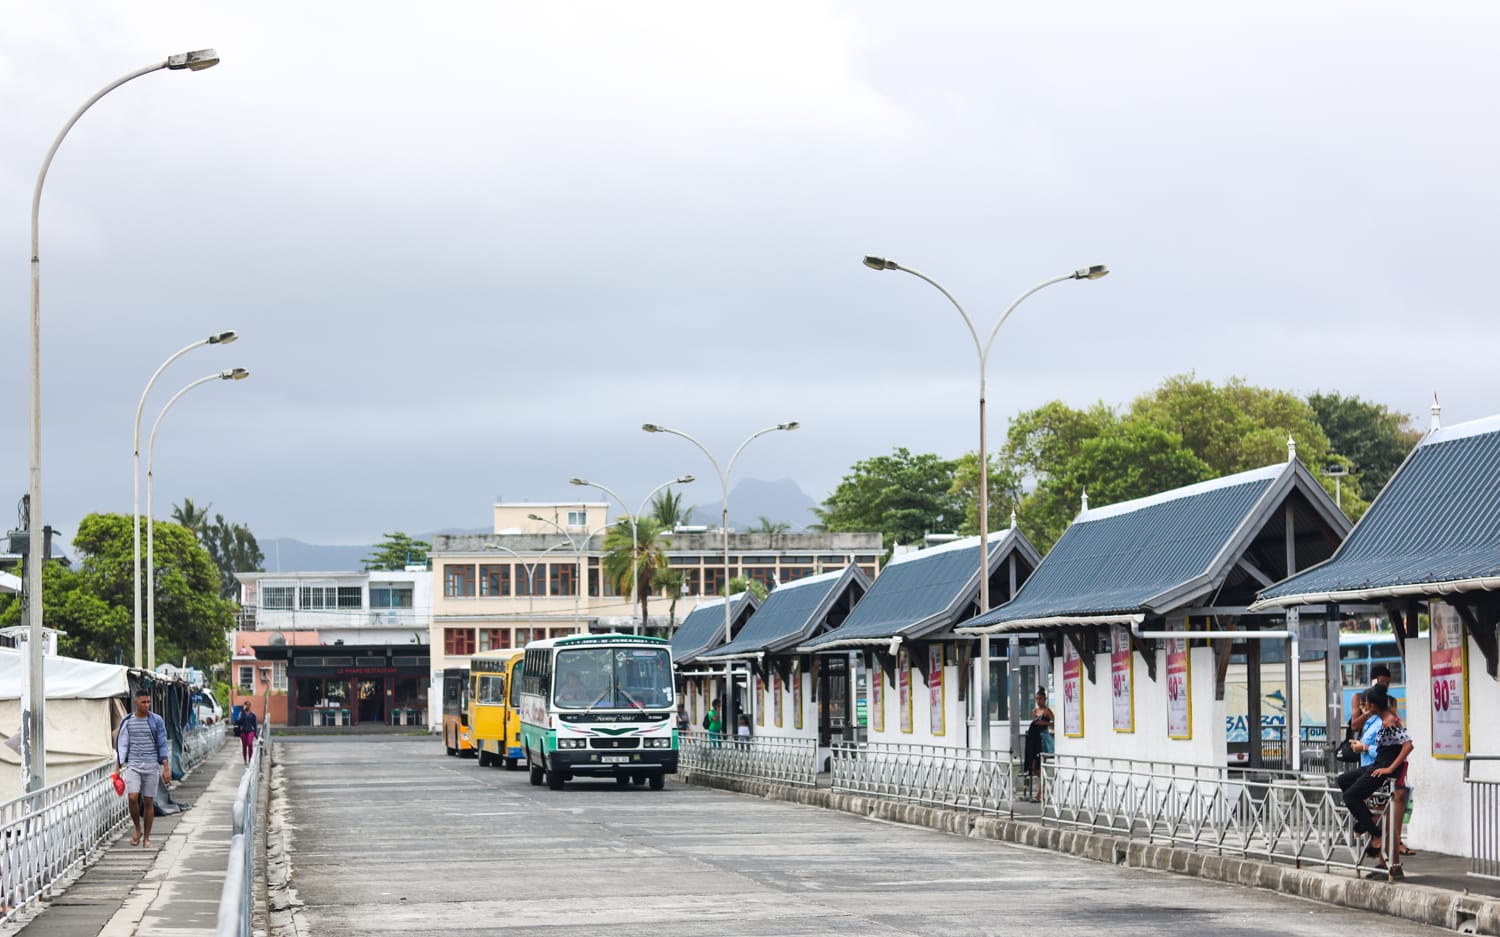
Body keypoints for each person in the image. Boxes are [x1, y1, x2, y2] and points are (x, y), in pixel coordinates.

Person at [1337, 686, 1412, 877]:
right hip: (1375, 765)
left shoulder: (1389, 722)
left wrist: (1389, 768)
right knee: (1343, 780)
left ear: (1372, 704)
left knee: (1350, 796)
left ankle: (1375, 834)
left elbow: (1408, 746)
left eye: (1366, 704)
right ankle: (1367, 820)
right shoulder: (1378, 720)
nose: (1364, 707)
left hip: (1383, 771)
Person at [115, 689, 171, 848]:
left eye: (148, 702)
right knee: (132, 797)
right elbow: (122, 745)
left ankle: (146, 838)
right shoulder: (127, 722)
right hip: (133, 765)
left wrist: (165, 768)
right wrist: (118, 767)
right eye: (143, 702)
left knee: (148, 801)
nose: (147, 705)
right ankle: (137, 829)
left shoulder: (156, 721)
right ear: (136, 702)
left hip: (151, 765)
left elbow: (162, 743)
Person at [1023, 689, 1055, 802]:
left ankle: (1039, 794)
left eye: (1040, 699)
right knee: (1034, 767)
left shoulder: (1047, 711)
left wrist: (1045, 723)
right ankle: (1042, 785)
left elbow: (1054, 722)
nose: (1038, 701)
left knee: (1041, 765)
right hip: (1034, 739)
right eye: (1037, 699)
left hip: (1043, 739)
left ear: (1045, 699)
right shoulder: (1034, 711)